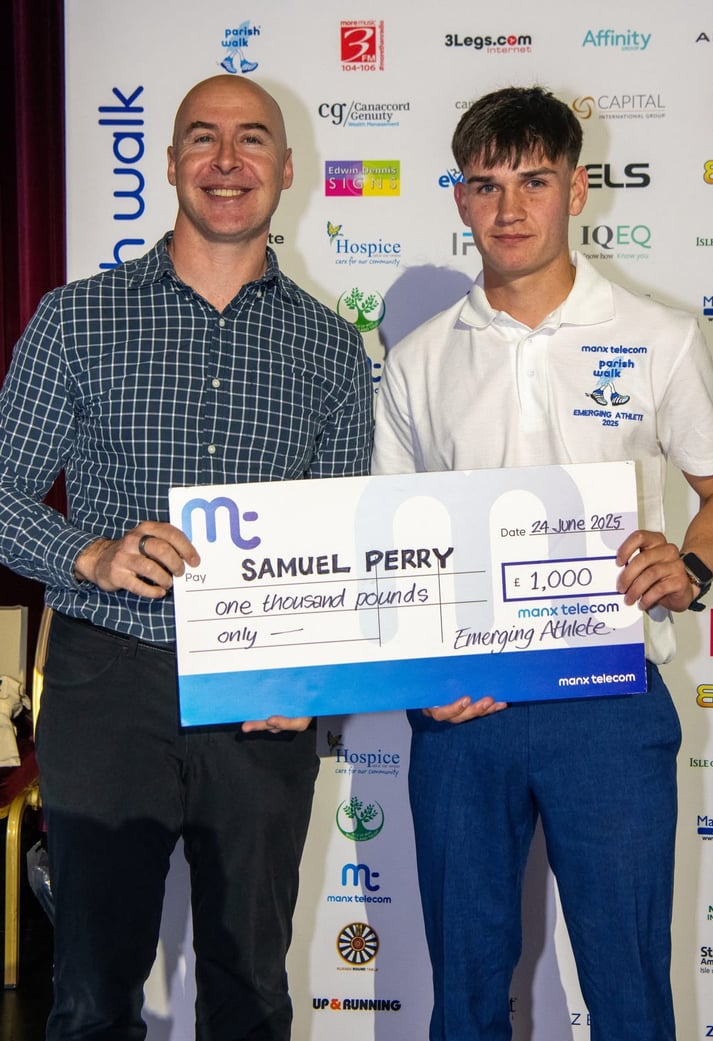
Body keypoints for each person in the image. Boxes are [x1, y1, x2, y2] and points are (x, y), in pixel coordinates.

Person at [372, 86, 713, 1041]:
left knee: (628, 989)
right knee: (463, 994)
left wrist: (693, 569)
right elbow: (390, 545)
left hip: (609, 703)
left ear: (579, 188)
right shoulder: (415, 360)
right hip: (464, 712)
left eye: (534, 181)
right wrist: (423, 678)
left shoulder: (658, 334)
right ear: (458, 198)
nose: (509, 209)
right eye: (486, 184)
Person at [0, 75, 372, 1041]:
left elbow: (340, 544)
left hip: (264, 689)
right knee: (91, 989)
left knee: (251, 985)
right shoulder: (74, 319)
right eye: (202, 139)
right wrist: (88, 552)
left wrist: (318, 677)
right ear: (169, 164)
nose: (226, 161)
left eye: (251, 141)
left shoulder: (332, 350)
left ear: (287, 171)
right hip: (107, 675)